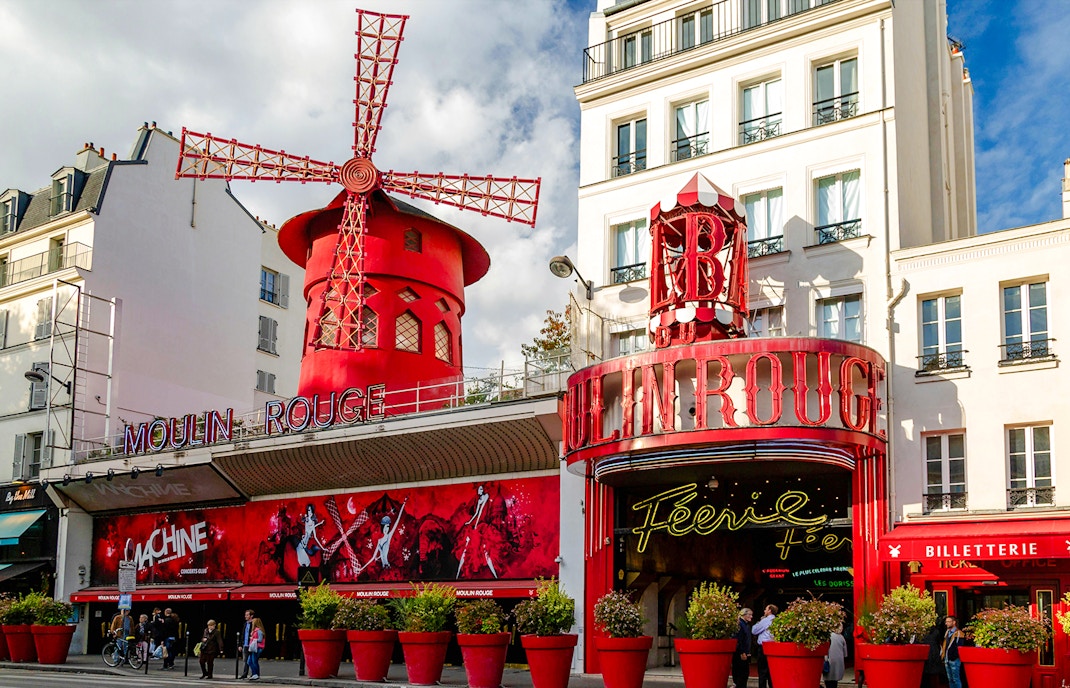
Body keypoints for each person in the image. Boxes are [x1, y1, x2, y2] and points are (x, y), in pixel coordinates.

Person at [751, 604, 777, 688]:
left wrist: (759, 622)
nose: (764, 611)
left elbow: (754, 631)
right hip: (773, 646)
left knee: (762, 671)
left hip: (763, 647)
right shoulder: (776, 620)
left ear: (769, 610)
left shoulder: (766, 620)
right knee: (771, 670)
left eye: (766, 609)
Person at [942, 615, 966, 688]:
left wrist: (954, 656)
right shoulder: (947, 633)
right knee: (950, 679)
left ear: (954, 622)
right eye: (946, 622)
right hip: (947, 659)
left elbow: (959, 647)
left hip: (954, 660)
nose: (947, 623)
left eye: (948, 622)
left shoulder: (959, 633)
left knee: (956, 679)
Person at [732, 607, 753, 688]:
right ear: (744, 615)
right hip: (740, 653)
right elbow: (738, 639)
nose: (751, 617)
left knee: (744, 673)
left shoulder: (745, 624)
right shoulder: (740, 624)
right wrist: (742, 652)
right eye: (749, 615)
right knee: (742, 673)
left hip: (744, 652)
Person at [823, 622, 848, 688]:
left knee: (828, 679)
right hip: (839, 661)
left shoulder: (828, 636)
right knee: (835, 680)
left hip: (829, 660)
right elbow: (845, 653)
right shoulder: (842, 638)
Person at [922, 620, 945, 687]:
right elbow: (938, 642)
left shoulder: (922, 632)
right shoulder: (936, 631)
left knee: (925, 676)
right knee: (934, 675)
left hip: (925, 653)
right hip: (934, 653)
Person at [245, 615, 266, 680]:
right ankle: (254, 673)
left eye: (253, 622)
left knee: (254, 661)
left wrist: (253, 638)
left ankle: (255, 674)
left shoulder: (259, 631)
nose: (252, 623)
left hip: (257, 648)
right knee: (249, 661)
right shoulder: (255, 631)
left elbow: (260, 639)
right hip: (254, 648)